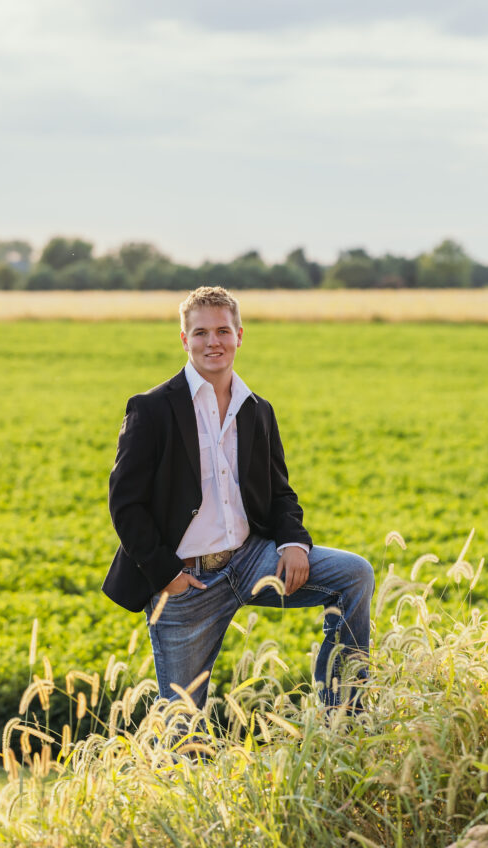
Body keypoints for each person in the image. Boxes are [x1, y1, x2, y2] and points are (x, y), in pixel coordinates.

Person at [102, 286, 374, 712]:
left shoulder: (257, 409)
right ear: (184, 339)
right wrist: (164, 572)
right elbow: (125, 503)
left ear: (240, 336)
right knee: (182, 725)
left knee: (353, 575)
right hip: (186, 581)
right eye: (201, 333)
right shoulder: (152, 409)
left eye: (223, 331)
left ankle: (345, 720)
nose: (214, 342)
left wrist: (293, 543)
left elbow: (280, 491)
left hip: (250, 561)